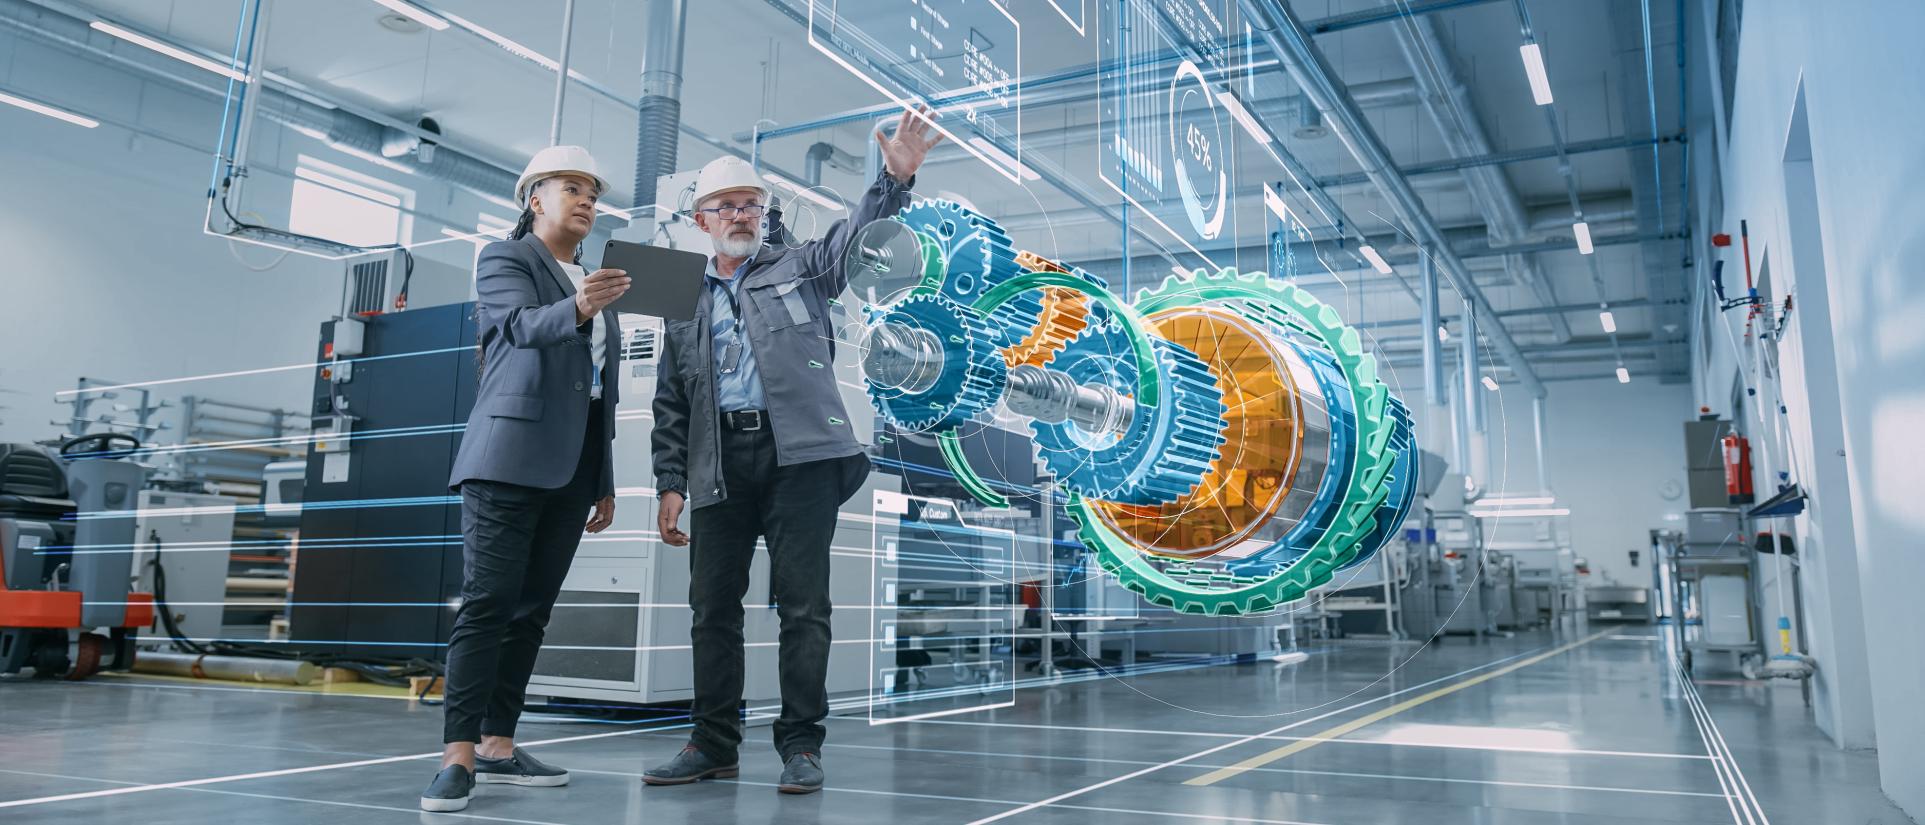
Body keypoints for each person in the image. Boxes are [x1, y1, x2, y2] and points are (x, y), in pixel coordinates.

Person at [646, 106, 943, 795]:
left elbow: (854, 241)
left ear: (763, 213)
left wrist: (893, 183)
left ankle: (801, 744)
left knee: (803, 607)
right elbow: (672, 400)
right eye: (725, 206)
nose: (740, 214)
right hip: (718, 465)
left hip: (799, 459)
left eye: (750, 204)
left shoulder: (802, 266)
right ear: (702, 221)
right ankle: (712, 742)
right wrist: (669, 480)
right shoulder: (682, 299)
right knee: (711, 610)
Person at [422, 145, 629, 813]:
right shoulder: (505, 259)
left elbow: (599, 389)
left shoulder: (596, 280)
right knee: (488, 601)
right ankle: (457, 755)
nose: (587, 200)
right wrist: (580, 305)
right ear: (534, 198)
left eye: (593, 193)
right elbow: (516, 326)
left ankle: (498, 744)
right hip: (507, 458)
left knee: (532, 610)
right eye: (572, 187)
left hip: (572, 468)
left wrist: (603, 476)